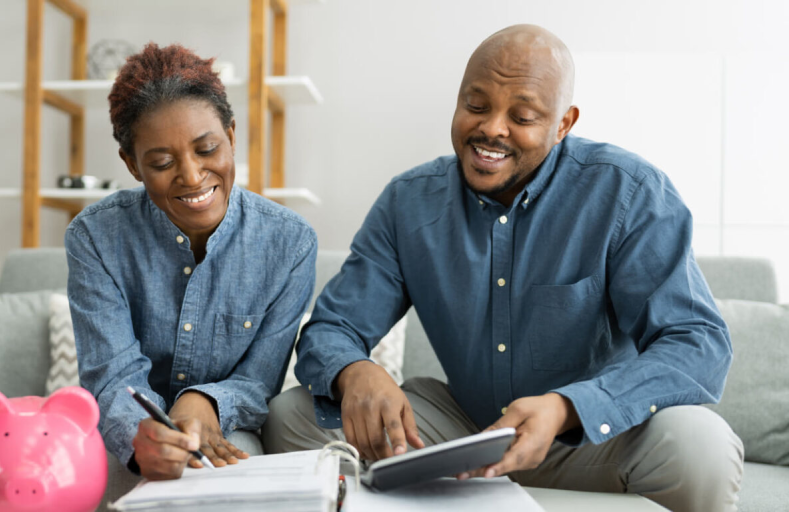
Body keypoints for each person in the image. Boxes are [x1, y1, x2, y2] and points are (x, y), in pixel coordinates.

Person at [263, 24, 743, 512]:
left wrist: (567, 407)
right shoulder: (407, 203)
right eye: (476, 105)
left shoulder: (629, 192)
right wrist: (355, 371)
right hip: (461, 430)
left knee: (702, 447)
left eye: (523, 115)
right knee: (290, 417)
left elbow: (697, 343)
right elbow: (333, 328)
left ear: (563, 124)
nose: (492, 128)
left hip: (589, 437)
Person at [66, 43, 317, 481]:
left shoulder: (290, 244)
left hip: (226, 426)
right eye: (162, 163)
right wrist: (139, 433)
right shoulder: (95, 237)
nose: (192, 175)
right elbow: (111, 377)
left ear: (232, 136)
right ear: (132, 164)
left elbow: (258, 382)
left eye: (207, 149)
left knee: (215, 476)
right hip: (129, 428)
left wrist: (203, 402)